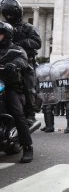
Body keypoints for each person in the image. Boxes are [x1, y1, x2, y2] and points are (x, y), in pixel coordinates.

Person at [1, 0, 42, 124]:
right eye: (6, 13)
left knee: (28, 84)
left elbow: (37, 43)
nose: (8, 16)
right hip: (4, 59)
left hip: (24, 61)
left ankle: (30, 112)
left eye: (10, 14)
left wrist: (22, 43)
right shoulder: (3, 26)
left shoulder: (28, 28)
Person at [0, 21, 33, 163]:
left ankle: (27, 147)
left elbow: (23, 59)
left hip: (10, 85)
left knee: (17, 113)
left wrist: (14, 64)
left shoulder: (15, 48)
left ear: (7, 36)